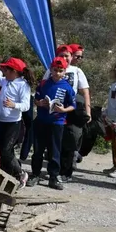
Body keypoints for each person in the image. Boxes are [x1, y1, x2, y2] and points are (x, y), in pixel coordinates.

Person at [27, 58, 76, 190]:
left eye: (61, 71)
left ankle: (53, 177)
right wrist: (40, 103)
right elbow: (36, 99)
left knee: (55, 150)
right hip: (42, 120)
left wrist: (63, 110)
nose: (58, 73)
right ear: (51, 69)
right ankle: (35, 174)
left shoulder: (67, 87)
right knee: (38, 150)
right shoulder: (43, 84)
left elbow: (72, 105)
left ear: (65, 71)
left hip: (57, 122)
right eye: (55, 70)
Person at [43, 45, 91, 179]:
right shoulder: (51, 70)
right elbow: (43, 86)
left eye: (67, 55)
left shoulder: (77, 71)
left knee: (70, 140)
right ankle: (54, 170)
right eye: (62, 55)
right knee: (54, 140)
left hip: (71, 108)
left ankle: (66, 172)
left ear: (71, 57)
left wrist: (88, 111)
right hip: (54, 108)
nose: (65, 58)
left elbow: (85, 91)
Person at [0, 57, 34, 184]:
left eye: (7, 70)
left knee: (6, 150)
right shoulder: (5, 81)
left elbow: (26, 105)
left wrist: (14, 105)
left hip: (13, 123)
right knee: (2, 149)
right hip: (0, 121)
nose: (4, 72)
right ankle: (6, 176)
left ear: (14, 71)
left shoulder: (23, 85)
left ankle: (20, 173)